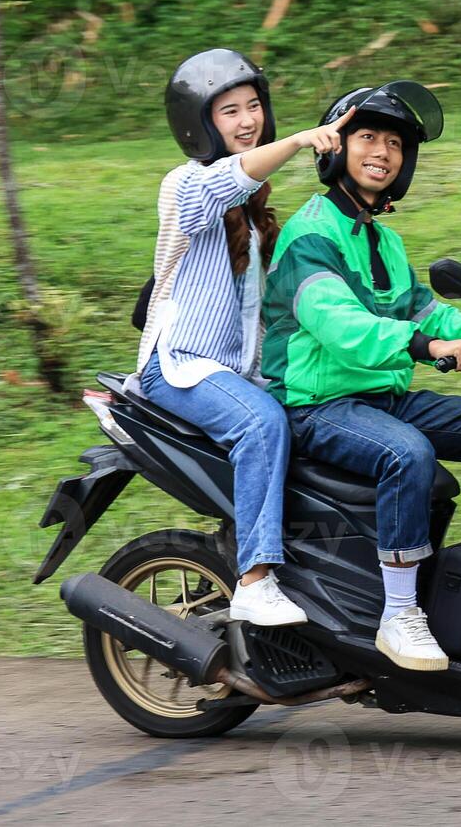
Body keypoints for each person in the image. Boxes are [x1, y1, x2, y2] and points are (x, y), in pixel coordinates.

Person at [260, 81, 461, 671]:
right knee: (408, 455)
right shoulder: (308, 236)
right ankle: (400, 615)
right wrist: (431, 346)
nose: (382, 150)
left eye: (394, 142)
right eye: (367, 136)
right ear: (336, 148)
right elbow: (343, 326)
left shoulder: (385, 240)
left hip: (378, 398)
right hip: (316, 404)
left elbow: (428, 311)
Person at [131, 47, 355, 627]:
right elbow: (223, 185)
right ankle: (255, 581)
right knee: (261, 424)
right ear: (200, 124)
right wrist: (304, 141)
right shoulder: (184, 185)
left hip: (238, 372)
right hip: (180, 365)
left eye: (253, 106)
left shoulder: (256, 209)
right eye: (229, 111)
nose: (247, 120)